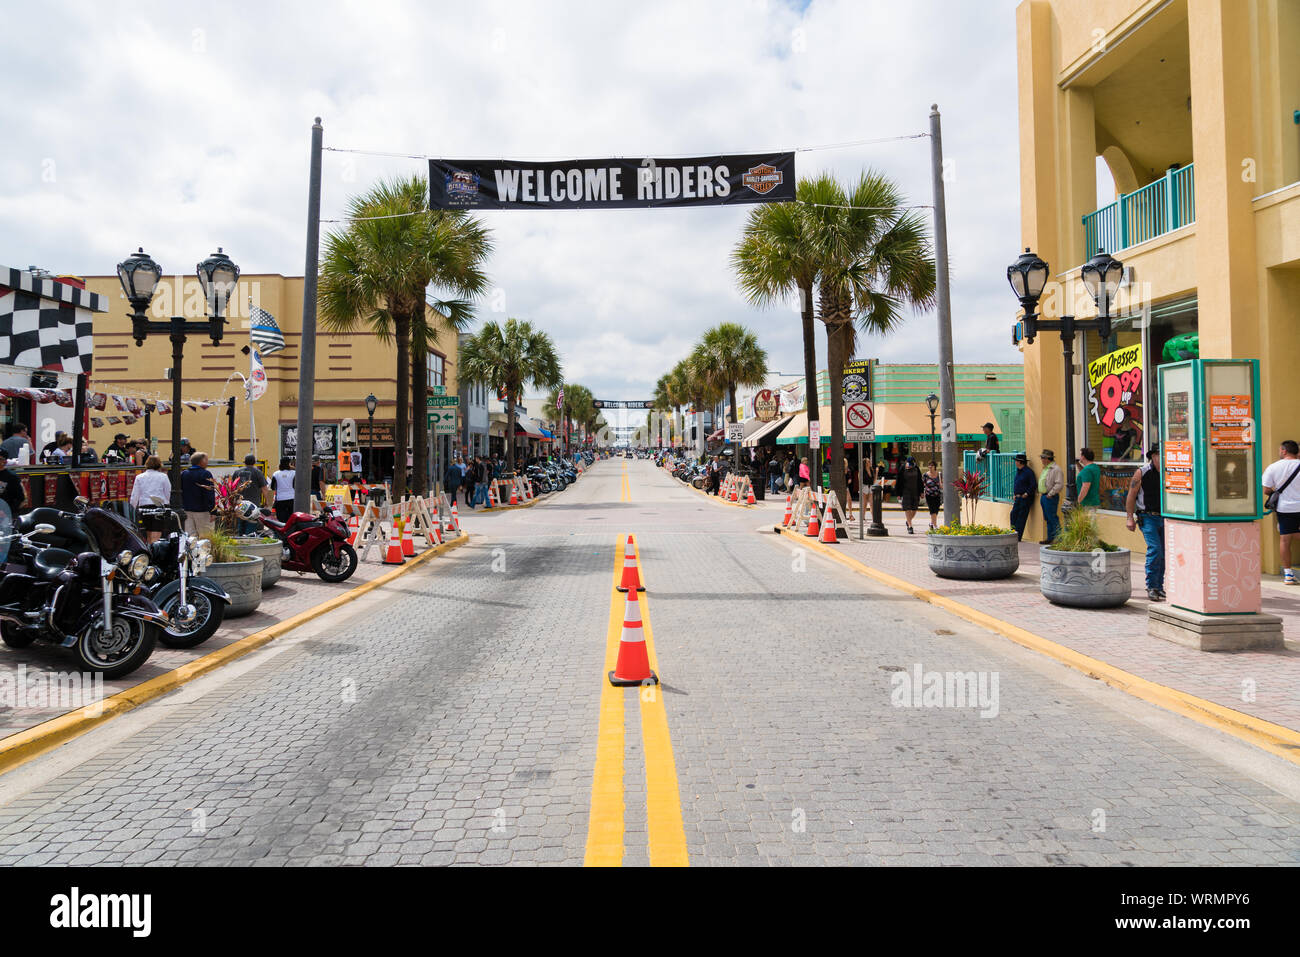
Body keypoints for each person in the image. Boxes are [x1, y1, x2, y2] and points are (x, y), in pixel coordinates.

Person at [1125, 443, 1166, 601]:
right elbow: (1131, 495)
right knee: (1155, 549)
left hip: (1164, 516)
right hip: (1147, 516)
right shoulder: (1142, 472)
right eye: (1159, 455)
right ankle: (1151, 586)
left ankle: (1159, 586)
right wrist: (1129, 518)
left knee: (1163, 553)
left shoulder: (1169, 472)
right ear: (1153, 456)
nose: (1162, 459)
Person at [1262, 439, 1300, 586]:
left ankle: (1288, 574)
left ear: (1284, 451)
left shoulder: (1273, 467)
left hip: (1285, 508)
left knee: (1285, 539)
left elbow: (1266, 490)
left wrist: (1279, 492)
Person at [129, 456, 173, 543]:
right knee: (156, 534)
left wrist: (132, 509)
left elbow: (135, 495)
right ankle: (156, 553)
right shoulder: (163, 476)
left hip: (144, 507)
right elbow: (168, 492)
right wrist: (167, 503)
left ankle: (150, 551)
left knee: (148, 533)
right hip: (159, 506)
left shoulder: (139, 477)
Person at [180, 452, 215, 536]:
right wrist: (213, 511)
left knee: (191, 537)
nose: (207, 462)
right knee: (206, 537)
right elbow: (209, 493)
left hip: (187, 509)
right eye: (206, 459)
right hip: (203, 510)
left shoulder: (184, 473)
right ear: (201, 461)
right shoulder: (206, 474)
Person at [234, 453, 268, 535]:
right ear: (254, 462)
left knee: (240, 524)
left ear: (244, 462)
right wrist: (267, 502)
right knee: (251, 525)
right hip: (253, 505)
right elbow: (264, 488)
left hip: (240, 503)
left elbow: (233, 488)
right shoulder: (258, 472)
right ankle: (249, 542)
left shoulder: (237, 472)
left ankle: (240, 541)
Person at [1038, 449, 1064, 544]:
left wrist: (1051, 493)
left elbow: (1059, 484)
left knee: (1052, 517)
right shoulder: (1046, 468)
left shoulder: (1056, 469)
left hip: (1050, 496)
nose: (1041, 459)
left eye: (1043, 457)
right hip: (1044, 496)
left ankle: (1059, 538)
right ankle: (1050, 538)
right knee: (1048, 518)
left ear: (1048, 458)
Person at [1010, 452, 1036, 541]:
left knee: (1021, 517)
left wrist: (1027, 493)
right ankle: (1013, 533)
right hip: (1017, 497)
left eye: (1016, 461)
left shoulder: (1028, 472)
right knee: (1013, 514)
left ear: (1020, 462)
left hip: (1025, 498)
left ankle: (1017, 537)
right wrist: (1014, 494)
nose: (1015, 462)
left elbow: (1033, 484)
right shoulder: (1018, 471)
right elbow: (1017, 484)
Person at [895, 456, 923, 533]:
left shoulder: (916, 468)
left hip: (915, 491)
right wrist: (898, 493)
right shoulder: (902, 468)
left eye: (912, 464)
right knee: (907, 508)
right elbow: (898, 481)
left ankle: (908, 521)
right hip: (906, 491)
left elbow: (920, 480)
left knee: (914, 509)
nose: (911, 465)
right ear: (906, 462)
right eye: (909, 464)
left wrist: (921, 492)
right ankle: (910, 526)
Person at [0, 450, 26, 524]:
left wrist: (6, 511)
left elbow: (20, 498)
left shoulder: (12, 477)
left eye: (0, 459)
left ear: (5, 461)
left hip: (5, 516)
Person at [271, 457, 297, 523]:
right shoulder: (294, 473)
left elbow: (272, 487)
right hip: (292, 498)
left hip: (280, 499)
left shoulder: (276, 474)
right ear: (289, 463)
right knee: (291, 519)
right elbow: (296, 485)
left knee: (281, 520)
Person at [922, 461, 943, 531]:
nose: (930, 467)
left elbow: (941, 484)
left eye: (932, 466)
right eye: (929, 466)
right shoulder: (925, 475)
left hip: (937, 494)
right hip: (929, 495)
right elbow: (923, 485)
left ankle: (931, 523)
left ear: (935, 467)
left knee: (936, 510)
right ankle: (935, 525)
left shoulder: (939, 474)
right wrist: (922, 493)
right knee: (932, 510)